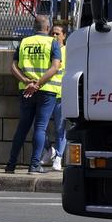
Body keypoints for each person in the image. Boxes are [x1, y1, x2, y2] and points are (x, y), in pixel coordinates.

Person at [7, 16, 61, 174]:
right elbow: (55, 67)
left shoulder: (24, 42)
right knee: (40, 128)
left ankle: (11, 165)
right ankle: (34, 166)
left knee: (22, 127)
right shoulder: (52, 43)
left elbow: (13, 67)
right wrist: (38, 84)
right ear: (48, 27)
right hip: (46, 90)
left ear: (33, 26)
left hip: (26, 90)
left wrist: (26, 81)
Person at [41, 23, 67, 171]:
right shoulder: (48, 49)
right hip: (47, 93)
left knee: (60, 128)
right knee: (40, 127)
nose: (54, 36)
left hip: (61, 95)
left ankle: (58, 157)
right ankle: (49, 150)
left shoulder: (67, 51)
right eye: (53, 33)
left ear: (64, 36)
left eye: (58, 33)